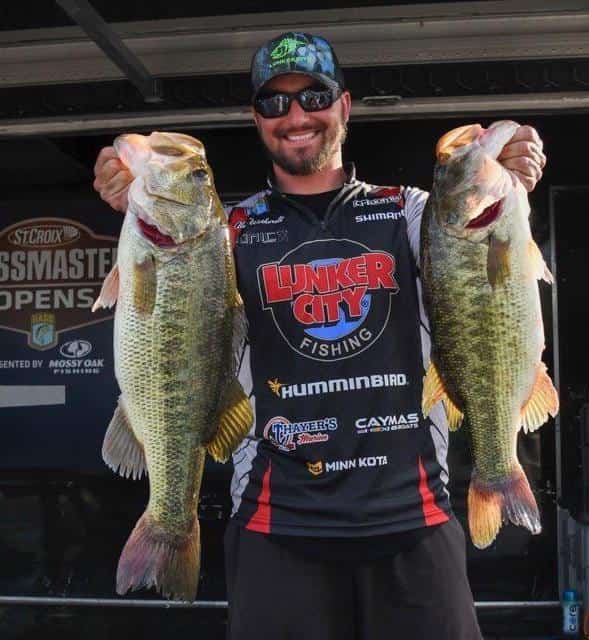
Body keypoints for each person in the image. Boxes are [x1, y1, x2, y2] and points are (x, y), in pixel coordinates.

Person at [94, 31, 546, 640]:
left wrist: (511, 176)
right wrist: (129, 197)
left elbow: (477, 263)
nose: (296, 115)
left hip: (416, 517)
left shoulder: (411, 212)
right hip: (276, 528)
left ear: (345, 106)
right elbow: (169, 315)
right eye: (274, 103)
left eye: (314, 95)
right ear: (257, 119)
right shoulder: (221, 234)